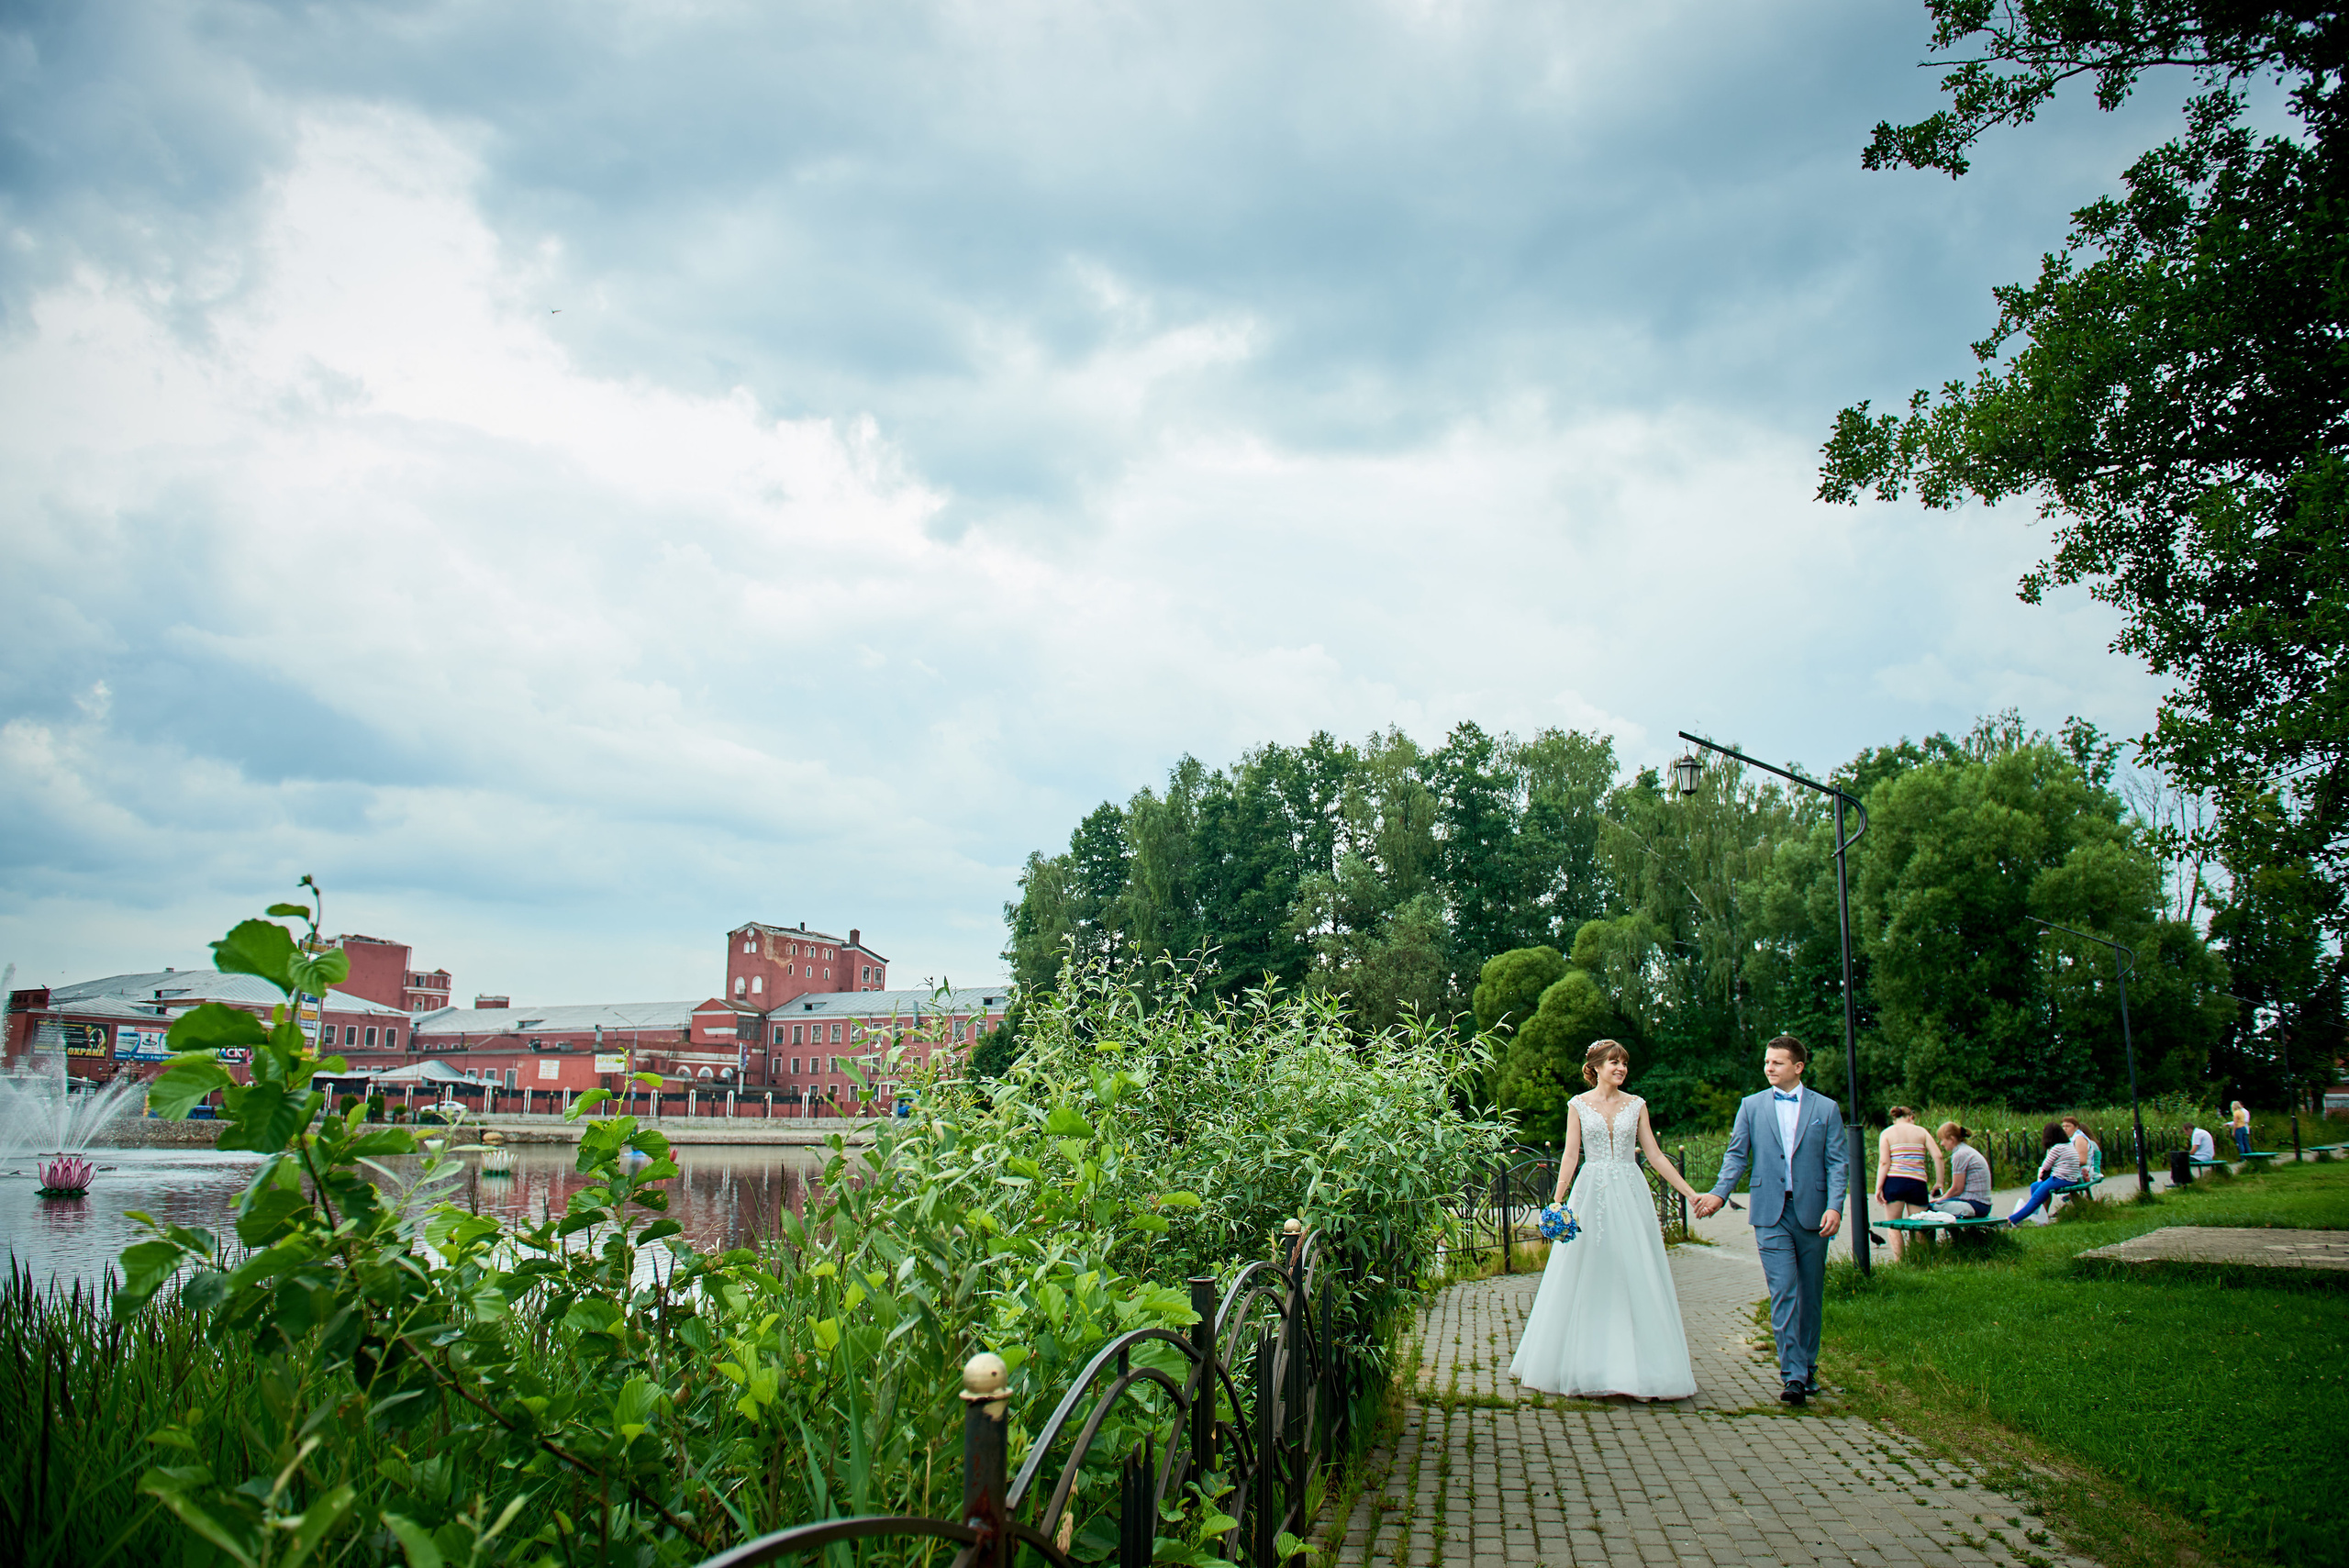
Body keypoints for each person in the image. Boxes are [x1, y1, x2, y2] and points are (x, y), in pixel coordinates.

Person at [1508, 1040, 1707, 1401]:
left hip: (1630, 1194)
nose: (1620, 1069)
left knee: (1635, 1271)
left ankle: (1642, 1368)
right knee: (1591, 1271)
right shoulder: (1578, 1106)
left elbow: (1657, 1156)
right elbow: (1570, 1156)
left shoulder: (1637, 1105)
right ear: (1596, 1067)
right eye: (1613, 1062)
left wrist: (1690, 1194)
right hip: (1591, 1192)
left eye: (1624, 1064)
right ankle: (1585, 1364)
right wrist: (1556, 1203)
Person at [1693, 1035, 1848, 1407]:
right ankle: (1792, 1376)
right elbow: (1736, 1156)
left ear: (1798, 1067)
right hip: (1770, 1213)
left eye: (1777, 1062)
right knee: (1784, 1292)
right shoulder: (1751, 1106)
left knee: (1810, 1295)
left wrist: (1836, 1206)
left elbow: (1838, 1163)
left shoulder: (1826, 1109)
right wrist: (1719, 1193)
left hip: (1813, 1213)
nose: (1769, 1068)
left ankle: (1808, 1368)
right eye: (1766, 1062)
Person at [1875, 1106, 1945, 1262]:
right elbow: (1938, 1156)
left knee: (1894, 1225)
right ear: (1911, 1117)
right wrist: (1939, 1182)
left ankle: (1900, 1262)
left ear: (1894, 1119)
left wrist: (1879, 1187)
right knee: (1919, 1225)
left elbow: (1884, 1162)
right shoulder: (1921, 1132)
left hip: (1894, 1182)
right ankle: (1919, 1260)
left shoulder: (1886, 1133)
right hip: (1917, 1183)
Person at [2006, 1121, 2083, 1226]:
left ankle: (2011, 1220)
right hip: (2070, 1179)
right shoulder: (2068, 1145)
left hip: (2060, 1179)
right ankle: (2039, 1216)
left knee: (2035, 1199)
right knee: (2035, 1186)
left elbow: (2045, 1166)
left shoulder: (2057, 1148)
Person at [1929, 1123, 1992, 1218]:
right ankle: (1956, 1232)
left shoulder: (1960, 1154)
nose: (1941, 1144)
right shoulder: (1967, 1150)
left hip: (1974, 1205)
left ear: (1952, 1139)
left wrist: (1941, 1199)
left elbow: (1957, 1189)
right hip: (1982, 1204)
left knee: (1929, 1207)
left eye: (1942, 1140)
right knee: (1940, 1206)